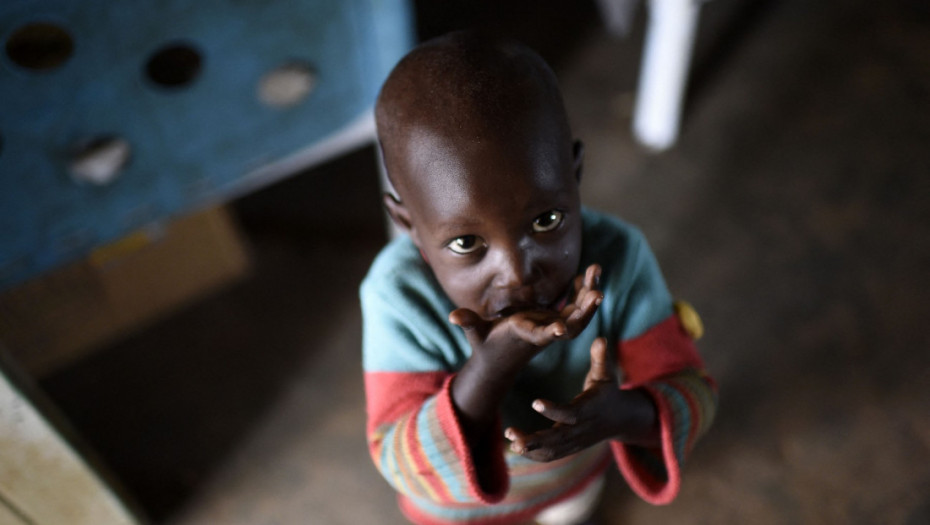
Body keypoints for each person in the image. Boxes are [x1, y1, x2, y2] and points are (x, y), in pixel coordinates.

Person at [361, 30, 717, 525]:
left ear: (574, 175)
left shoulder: (618, 257)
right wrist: (488, 370)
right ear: (408, 226)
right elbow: (400, 459)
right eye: (467, 244)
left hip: (572, 481)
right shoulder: (397, 298)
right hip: (453, 511)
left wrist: (621, 416)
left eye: (546, 221)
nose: (517, 272)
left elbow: (692, 392)